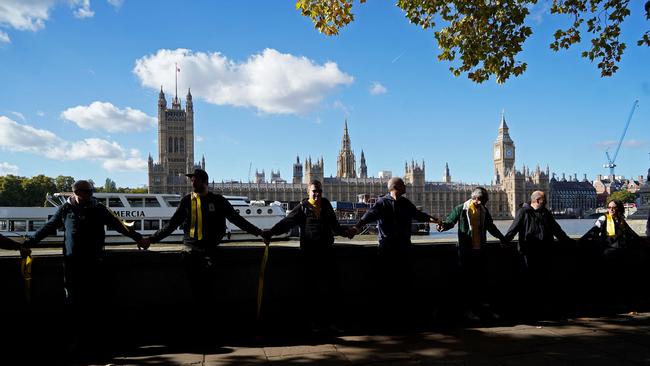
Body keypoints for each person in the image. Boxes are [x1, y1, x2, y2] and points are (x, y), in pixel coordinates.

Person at [22, 180, 145, 350]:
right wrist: (30, 242)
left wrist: (138, 238)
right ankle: (76, 339)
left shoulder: (99, 208)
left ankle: (94, 340)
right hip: (72, 263)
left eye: (91, 191)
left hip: (95, 261)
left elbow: (119, 225)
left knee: (95, 301)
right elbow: (49, 227)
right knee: (73, 302)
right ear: (77, 193)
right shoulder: (66, 209)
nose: (91, 195)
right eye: (88, 192)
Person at [142, 169, 265, 319]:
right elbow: (172, 224)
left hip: (210, 251)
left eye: (196, 180)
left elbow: (237, 220)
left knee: (209, 291)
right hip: (190, 251)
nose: (192, 182)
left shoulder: (218, 201)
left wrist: (259, 233)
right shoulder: (187, 201)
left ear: (205, 182)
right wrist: (151, 239)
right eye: (191, 180)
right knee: (195, 291)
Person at [262, 180, 352, 332]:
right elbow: (286, 222)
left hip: (327, 252)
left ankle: (332, 322)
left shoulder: (327, 205)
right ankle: (313, 323)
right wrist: (270, 233)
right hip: (310, 254)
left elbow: (334, 226)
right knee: (311, 290)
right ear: (308, 192)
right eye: (314, 191)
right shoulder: (302, 207)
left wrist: (346, 232)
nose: (317, 194)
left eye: (319, 191)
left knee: (332, 289)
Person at [350, 177, 440, 326]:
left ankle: (402, 316)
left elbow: (419, 215)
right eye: (403, 185)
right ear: (396, 187)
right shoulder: (382, 202)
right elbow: (368, 216)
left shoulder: (405, 203)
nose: (406, 186)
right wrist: (355, 228)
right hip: (387, 249)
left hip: (404, 247)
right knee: (386, 283)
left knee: (404, 282)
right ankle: (387, 317)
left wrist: (435, 220)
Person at [437, 187, 505, 321]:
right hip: (466, 252)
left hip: (480, 250)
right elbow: (450, 221)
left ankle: (482, 310)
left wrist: (503, 238)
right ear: (476, 199)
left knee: (481, 281)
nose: (485, 204)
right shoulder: (461, 209)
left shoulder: (484, 210)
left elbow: (491, 227)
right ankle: (468, 311)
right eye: (483, 201)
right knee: (467, 282)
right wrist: (443, 226)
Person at [502, 190, 573, 317]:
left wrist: (568, 241)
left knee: (544, 280)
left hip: (545, 251)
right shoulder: (523, 212)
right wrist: (505, 241)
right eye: (544, 199)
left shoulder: (546, 213)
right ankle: (529, 310)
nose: (546, 201)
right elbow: (514, 228)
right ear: (537, 200)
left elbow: (557, 229)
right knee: (529, 281)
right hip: (528, 252)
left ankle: (542, 309)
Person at [580, 199, 642, 309]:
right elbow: (593, 231)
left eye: (614, 208)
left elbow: (631, 234)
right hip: (608, 253)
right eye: (609, 207)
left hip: (621, 254)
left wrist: (642, 242)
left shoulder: (621, 220)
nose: (611, 210)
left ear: (619, 209)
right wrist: (581, 242)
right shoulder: (603, 218)